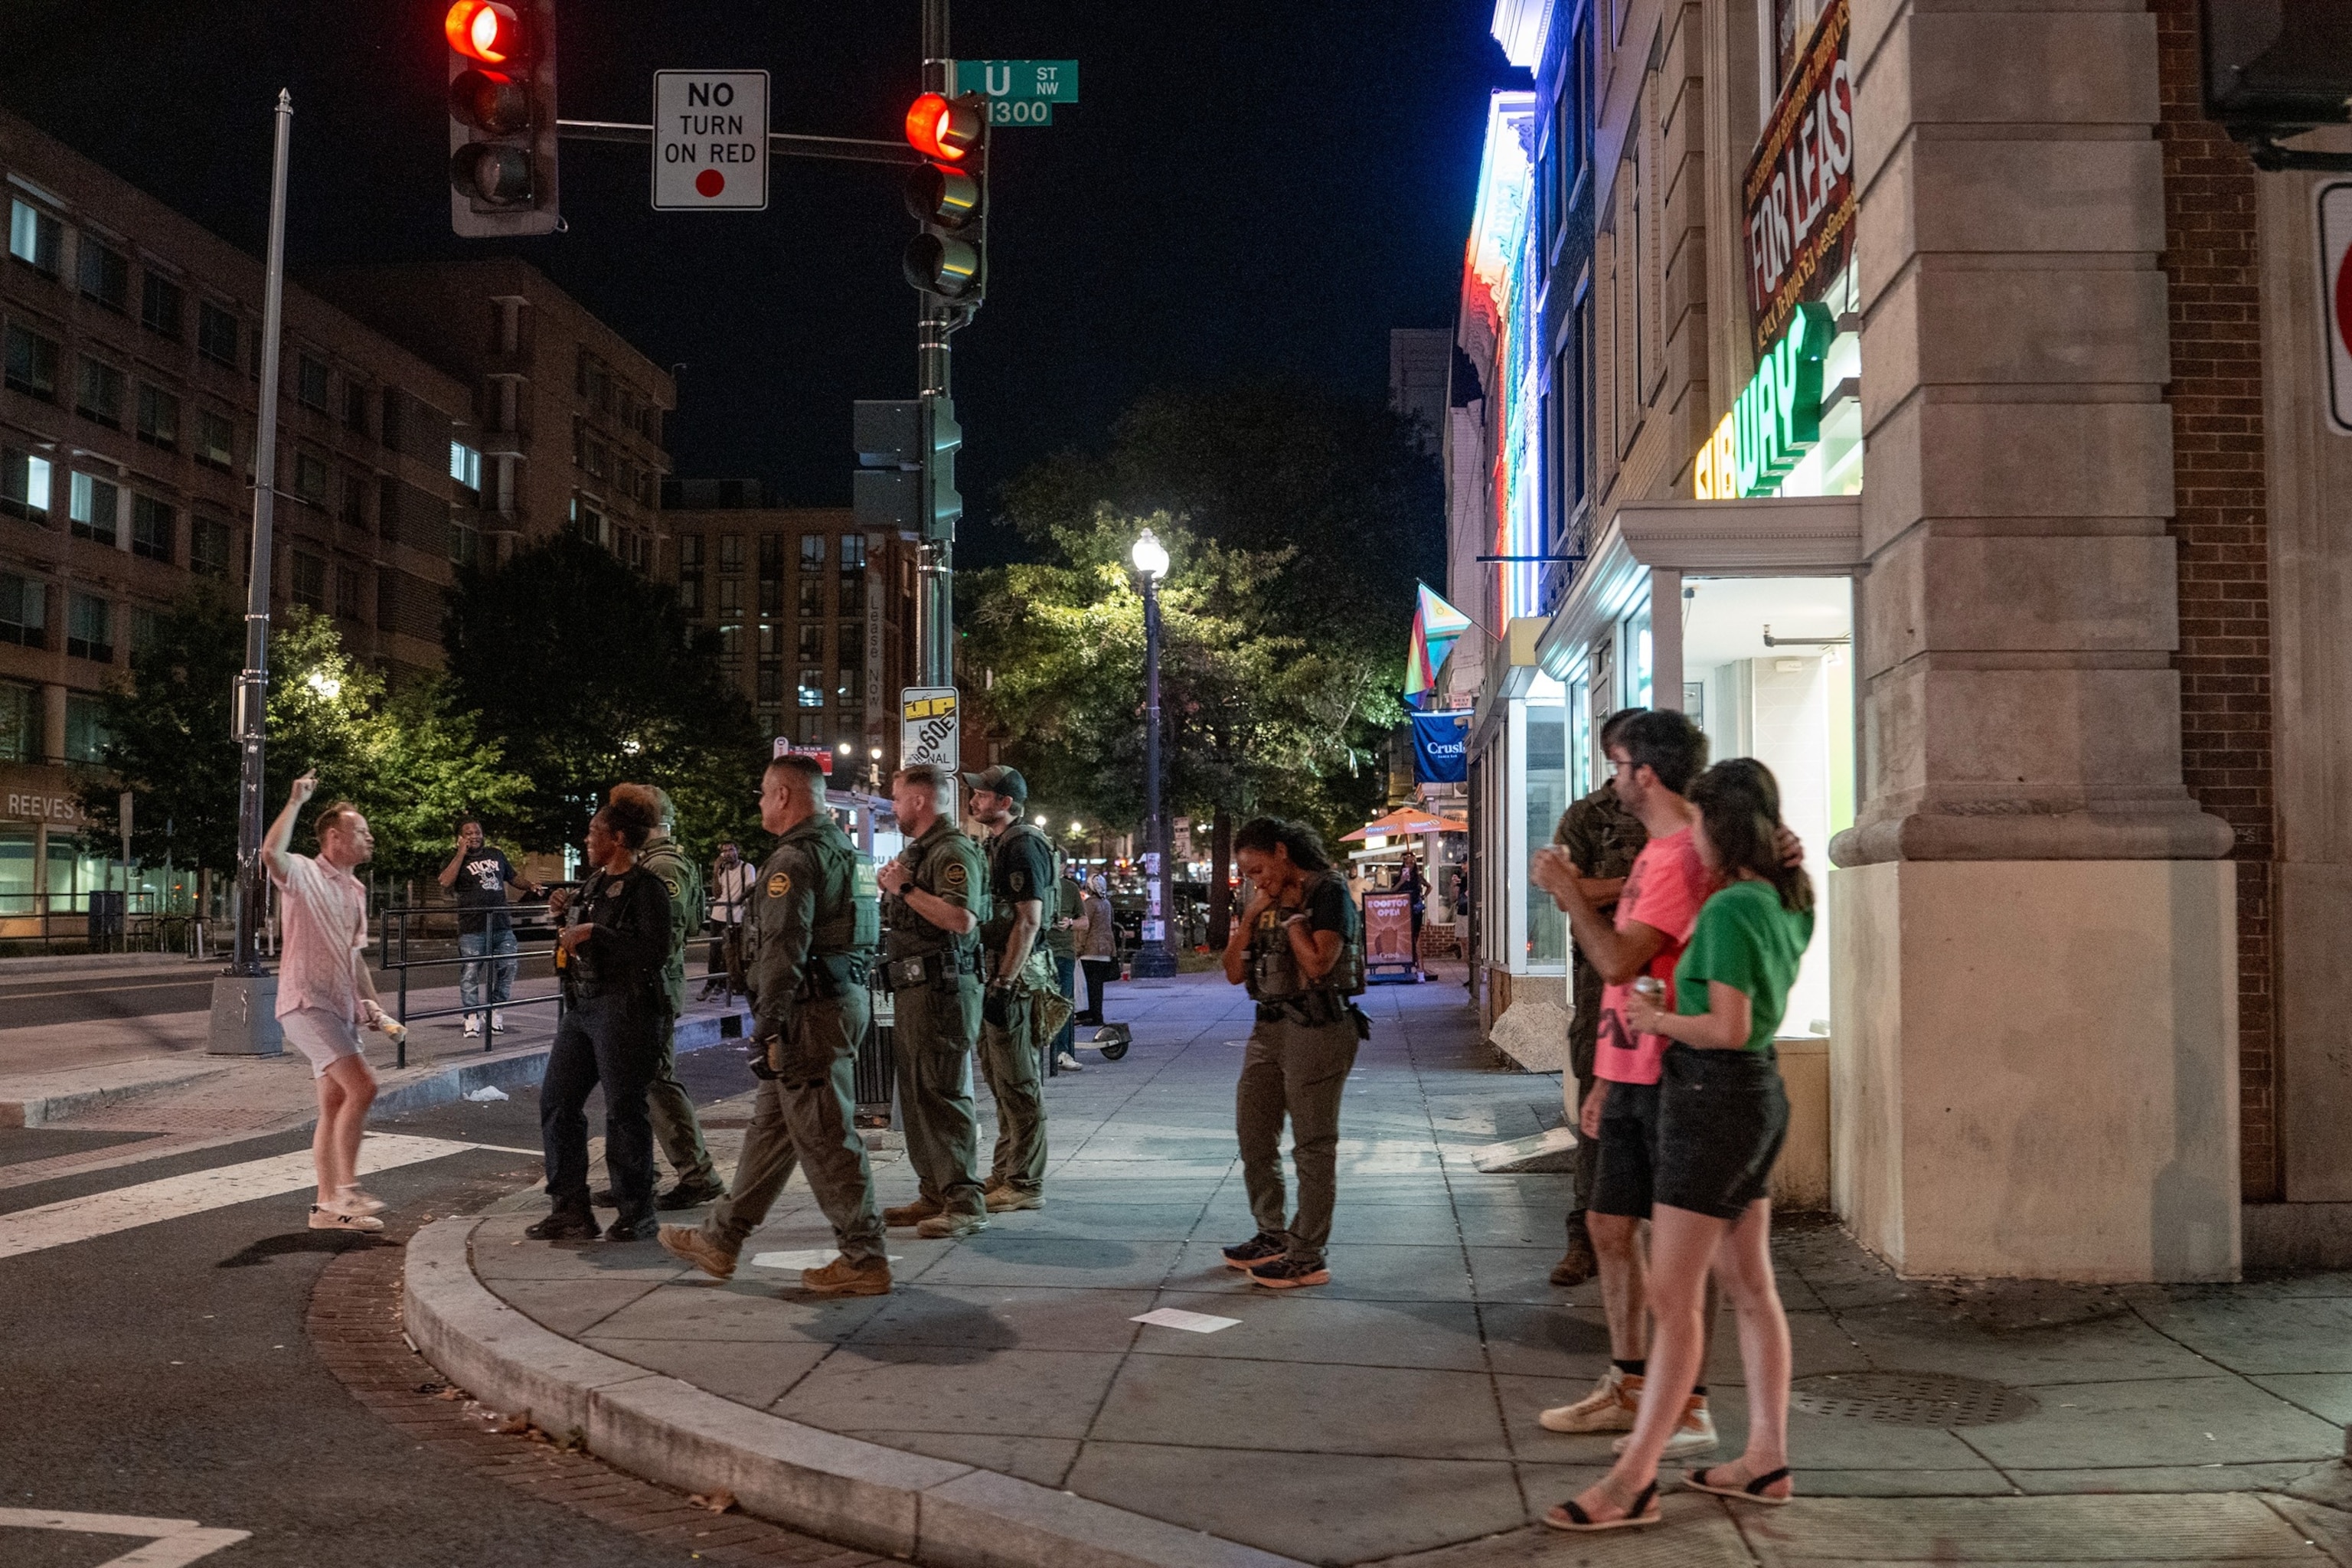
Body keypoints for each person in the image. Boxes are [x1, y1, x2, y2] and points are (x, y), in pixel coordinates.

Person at [1545, 760, 1811, 1530]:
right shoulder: (1791, 896)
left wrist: (1658, 1023)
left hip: (1709, 1094)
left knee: (1676, 1299)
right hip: (1756, 1093)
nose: (1687, 831)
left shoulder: (1729, 910)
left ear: (1718, 827)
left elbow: (1724, 1027)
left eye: (1698, 820)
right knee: (1751, 1286)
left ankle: (1632, 1478)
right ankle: (1766, 1457)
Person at [1527, 710, 1720, 1459]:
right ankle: (1630, 1382)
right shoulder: (1655, 855)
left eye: (1617, 764)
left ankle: (1687, 1401)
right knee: (1611, 1227)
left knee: (1677, 1250)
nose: (1611, 779)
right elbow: (1628, 980)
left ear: (1645, 771)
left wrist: (1569, 889)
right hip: (1631, 1065)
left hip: (1677, 1071)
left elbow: (1617, 960)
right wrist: (1607, 1072)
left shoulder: (1680, 857)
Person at [662, 754, 893, 1296]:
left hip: (807, 1015)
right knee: (771, 1130)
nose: (761, 803)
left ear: (785, 796)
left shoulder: (794, 859)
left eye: (765, 794)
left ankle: (864, 1255)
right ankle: (721, 1239)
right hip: (837, 1001)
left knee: (828, 1137)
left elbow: (784, 949)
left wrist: (767, 1027)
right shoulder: (844, 852)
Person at [1219, 816, 1367, 1290]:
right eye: (1249, 875)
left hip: (1318, 1025)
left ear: (1282, 852)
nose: (1255, 880)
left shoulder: (1328, 892)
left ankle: (1307, 1253)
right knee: (1254, 1133)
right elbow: (1233, 973)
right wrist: (1251, 914)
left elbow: (1319, 964)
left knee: (1313, 1145)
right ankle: (1271, 1232)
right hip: (1269, 1027)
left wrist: (1292, 916)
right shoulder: (1260, 900)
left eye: (1260, 870)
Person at [528, 797, 673, 1243]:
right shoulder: (591, 886)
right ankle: (570, 1209)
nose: (587, 839)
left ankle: (636, 1210)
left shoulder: (646, 888)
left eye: (595, 833)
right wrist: (565, 913)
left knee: (624, 1111)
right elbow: (571, 937)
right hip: (584, 1008)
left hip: (625, 1008)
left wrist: (596, 933)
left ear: (619, 839)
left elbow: (654, 952)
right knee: (557, 1101)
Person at [1540, 708, 1650, 1286]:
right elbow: (1566, 893)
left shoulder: (1680, 813)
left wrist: (1599, 890)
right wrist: (1646, 882)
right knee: (1597, 1120)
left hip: (1669, 991)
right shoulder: (1586, 817)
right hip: (1602, 990)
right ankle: (1584, 1235)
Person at [265, 773, 394, 1234]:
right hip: (306, 1002)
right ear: (335, 838)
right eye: (361, 831)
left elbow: (354, 954)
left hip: (339, 1008)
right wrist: (295, 800)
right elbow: (270, 854)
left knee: (336, 1103)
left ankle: (326, 1208)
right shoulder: (302, 872)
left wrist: (374, 1007)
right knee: (364, 1087)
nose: (369, 837)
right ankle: (348, 1189)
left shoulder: (356, 890)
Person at [873, 763, 990, 1238]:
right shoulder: (921, 852)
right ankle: (934, 1192)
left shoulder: (952, 851)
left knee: (942, 1092)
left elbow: (962, 919)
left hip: (942, 990)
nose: (894, 806)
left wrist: (904, 888)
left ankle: (964, 1200)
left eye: (898, 798)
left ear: (920, 801)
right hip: (915, 988)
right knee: (918, 1095)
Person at [603, 783, 725, 1210]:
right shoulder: (653, 862)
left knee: (657, 1080)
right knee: (635, 1082)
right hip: (643, 983)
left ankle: (698, 1174)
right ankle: (639, 1173)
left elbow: (666, 935)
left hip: (654, 984)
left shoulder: (664, 867)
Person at [965, 764, 1057, 1212]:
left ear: (1005, 802)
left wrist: (1003, 982)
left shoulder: (1021, 845)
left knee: (1019, 1083)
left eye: (982, 794)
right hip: (998, 975)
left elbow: (1029, 918)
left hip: (1014, 981)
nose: (974, 800)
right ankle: (1005, 1173)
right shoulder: (1000, 843)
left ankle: (1025, 1182)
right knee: (1002, 1082)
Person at [438, 815, 544, 1038]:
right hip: (472, 927)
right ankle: (471, 1016)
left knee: (508, 966)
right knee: (470, 972)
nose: (475, 837)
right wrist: (461, 853)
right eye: (469, 834)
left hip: (501, 924)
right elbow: (446, 882)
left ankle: (495, 1010)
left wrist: (531, 886)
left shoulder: (496, 854)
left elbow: (513, 878)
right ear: (460, 838)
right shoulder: (454, 859)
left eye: (477, 832)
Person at [1044, 864, 1087, 1073]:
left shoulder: (1069, 889)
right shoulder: (1039, 883)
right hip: (1040, 953)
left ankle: (1063, 1052)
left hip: (1063, 953)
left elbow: (1084, 921)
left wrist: (1069, 923)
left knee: (1064, 1003)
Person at [701, 841, 755, 1001]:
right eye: (724, 851)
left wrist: (740, 903)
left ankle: (724, 985)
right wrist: (716, 870)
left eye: (731, 850)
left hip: (736, 916)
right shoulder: (722, 870)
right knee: (715, 952)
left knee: (730, 953)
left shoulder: (747, 868)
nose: (727, 853)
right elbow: (717, 894)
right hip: (718, 914)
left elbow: (751, 889)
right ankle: (711, 983)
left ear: (737, 851)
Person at [1076, 874, 1116, 1026]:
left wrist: (1079, 948)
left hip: (1090, 951)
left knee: (1086, 986)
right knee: (1097, 986)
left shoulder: (1089, 904)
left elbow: (1085, 929)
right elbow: (1110, 927)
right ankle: (1097, 1015)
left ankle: (1089, 1015)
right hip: (1105, 951)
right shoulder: (1107, 904)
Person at [1397, 851, 1429, 982]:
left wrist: (1423, 897)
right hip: (1404, 909)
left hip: (1415, 909)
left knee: (1416, 938)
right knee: (1407, 938)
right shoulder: (1400, 877)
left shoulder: (1418, 877)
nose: (1409, 865)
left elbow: (1429, 886)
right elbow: (1393, 890)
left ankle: (1420, 969)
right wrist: (1401, 881)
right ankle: (1411, 964)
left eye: (1411, 863)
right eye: (1407, 863)